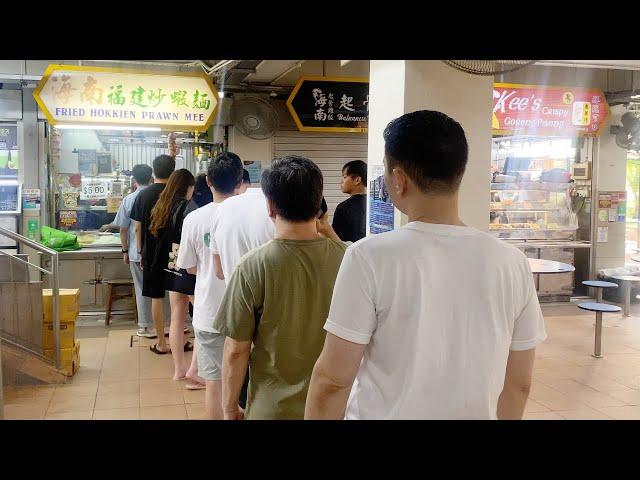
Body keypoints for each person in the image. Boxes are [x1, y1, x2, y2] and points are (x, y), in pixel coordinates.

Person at [305, 110, 546, 420]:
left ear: (399, 179)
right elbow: (519, 385)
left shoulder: (369, 257)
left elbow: (333, 380)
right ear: (459, 173)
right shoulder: (512, 262)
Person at [213, 156, 346, 420]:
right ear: (318, 203)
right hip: (335, 407)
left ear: (270, 206)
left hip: (272, 408)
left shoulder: (252, 267)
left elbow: (236, 350)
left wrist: (229, 407)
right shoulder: (349, 259)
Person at [177, 153, 243, 418]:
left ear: (207, 181)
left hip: (209, 312)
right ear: (240, 181)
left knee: (214, 384)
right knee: (247, 382)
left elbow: (189, 268)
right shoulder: (251, 215)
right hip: (246, 312)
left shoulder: (193, 219)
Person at [149, 169, 198, 379]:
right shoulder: (189, 207)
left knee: (177, 317)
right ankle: (195, 370)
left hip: (171, 263)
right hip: (188, 264)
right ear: (187, 187)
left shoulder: (161, 205)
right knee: (201, 319)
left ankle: (179, 369)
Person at [112, 164, 170, 338]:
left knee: (141, 288)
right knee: (163, 289)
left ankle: (145, 326)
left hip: (138, 254)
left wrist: (125, 250)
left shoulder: (129, 199)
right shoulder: (162, 196)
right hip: (160, 251)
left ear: (134, 179)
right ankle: (165, 324)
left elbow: (123, 228)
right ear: (151, 176)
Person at [130, 154, 175, 355]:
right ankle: (177, 339)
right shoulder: (177, 195)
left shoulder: (143, 195)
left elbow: (137, 227)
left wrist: (140, 251)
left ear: (153, 173)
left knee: (156, 297)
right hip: (175, 253)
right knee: (178, 296)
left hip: (152, 253)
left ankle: (161, 343)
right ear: (173, 172)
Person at [332, 160, 367, 242]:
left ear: (357, 180)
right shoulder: (373, 205)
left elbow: (336, 241)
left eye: (344, 177)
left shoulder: (343, 208)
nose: (341, 181)